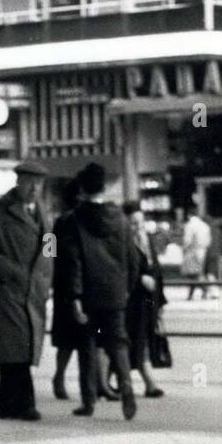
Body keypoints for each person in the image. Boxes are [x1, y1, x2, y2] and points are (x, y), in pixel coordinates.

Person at [0, 160, 53, 421]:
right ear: (18, 182)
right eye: (29, 182)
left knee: (21, 346)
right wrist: (11, 271)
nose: (33, 188)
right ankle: (22, 404)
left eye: (38, 183)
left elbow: (50, 246)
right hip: (7, 289)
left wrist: (46, 275)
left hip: (34, 289)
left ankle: (7, 404)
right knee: (16, 345)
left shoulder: (43, 211)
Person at [59, 162, 141, 421]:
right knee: (118, 344)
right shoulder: (120, 219)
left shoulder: (75, 219)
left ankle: (89, 401)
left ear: (82, 188)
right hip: (116, 293)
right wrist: (126, 288)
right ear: (104, 187)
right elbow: (133, 258)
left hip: (88, 295)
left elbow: (74, 261)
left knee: (88, 347)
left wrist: (74, 297)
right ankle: (127, 387)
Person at [123, 202, 166, 399]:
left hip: (149, 300)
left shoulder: (147, 239)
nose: (138, 226)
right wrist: (140, 279)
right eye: (133, 222)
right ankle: (149, 383)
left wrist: (161, 301)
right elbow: (120, 270)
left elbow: (157, 270)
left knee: (142, 339)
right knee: (138, 341)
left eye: (140, 221)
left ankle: (108, 382)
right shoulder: (123, 242)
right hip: (133, 299)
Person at [50, 176, 84, 402]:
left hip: (66, 283)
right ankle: (60, 377)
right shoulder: (66, 222)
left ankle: (61, 377)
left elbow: (47, 251)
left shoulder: (58, 222)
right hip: (67, 284)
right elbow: (48, 251)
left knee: (72, 339)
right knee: (69, 338)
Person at [181, 205, 212, 299]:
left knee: (194, 273)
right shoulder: (204, 225)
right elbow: (209, 240)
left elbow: (187, 240)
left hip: (192, 250)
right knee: (198, 272)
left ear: (188, 215)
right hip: (203, 250)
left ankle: (204, 290)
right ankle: (197, 292)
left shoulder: (190, 225)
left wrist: (184, 249)